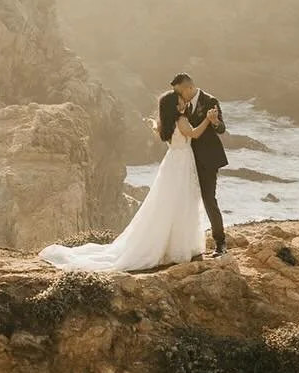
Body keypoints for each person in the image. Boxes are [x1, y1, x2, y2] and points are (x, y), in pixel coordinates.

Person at [37, 75, 224, 273]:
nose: (182, 101)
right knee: (182, 203)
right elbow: (193, 134)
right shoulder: (181, 118)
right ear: (175, 104)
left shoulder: (169, 122)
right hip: (182, 164)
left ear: (187, 88)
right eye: (179, 100)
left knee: (174, 203)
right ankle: (182, 247)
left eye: (181, 96)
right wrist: (207, 119)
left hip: (176, 163)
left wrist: (212, 122)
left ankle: (185, 245)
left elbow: (213, 129)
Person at [170, 72, 228, 255]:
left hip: (208, 160)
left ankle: (220, 242)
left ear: (189, 88)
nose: (178, 96)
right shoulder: (180, 106)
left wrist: (214, 121)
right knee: (186, 202)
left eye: (180, 92)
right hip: (187, 161)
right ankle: (185, 244)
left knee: (209, 199)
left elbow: (221, 129)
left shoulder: (210, 101)